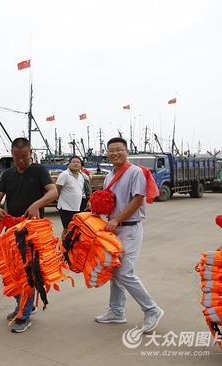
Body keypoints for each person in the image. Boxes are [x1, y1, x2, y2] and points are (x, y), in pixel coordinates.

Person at [94, 137, 164, 333]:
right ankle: (117, 311)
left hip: (130, 228)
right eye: (111, 150)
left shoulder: (135, 172)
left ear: (127, 151)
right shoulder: (109, 176)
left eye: (119, 150)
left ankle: (152, 310)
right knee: (114, 271)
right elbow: (109, 201)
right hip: (113, 230)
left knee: (125, 272)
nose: (115, 153)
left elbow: (137, 199)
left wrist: (117, 220)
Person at [0, 137, 58, 333]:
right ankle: (25, 305)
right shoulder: (7, 174)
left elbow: (53, 192)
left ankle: (24, 313)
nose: (20, 161)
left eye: (24, 157)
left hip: (33, 233)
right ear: (12, 154)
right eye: (16, 157)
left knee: (28, 273)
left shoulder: (39, 170)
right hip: (11, 230)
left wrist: (36, 205)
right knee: (11, 273)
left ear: (31, 153)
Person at [56, 156, 85, 234]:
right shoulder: (64, 174)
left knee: (74, 229)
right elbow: (58, 188)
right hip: (65, 207)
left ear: (81, 165)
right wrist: (58, 199)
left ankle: (69, 245)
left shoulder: (81, 176)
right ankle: (63, 245)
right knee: (67, 228)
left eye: (78, 162)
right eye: (73, 162)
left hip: (76, 207)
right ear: (68, 164)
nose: (76, 163)